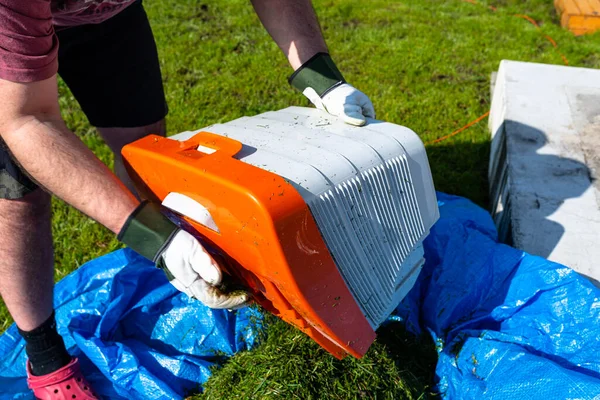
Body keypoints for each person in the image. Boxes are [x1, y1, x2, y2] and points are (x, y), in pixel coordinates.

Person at [0, 0, 375, 398]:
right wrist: (151, 234)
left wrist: (318, 75)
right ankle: (44, 356)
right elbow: (27, 120)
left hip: (107, 18)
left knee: (144, 152)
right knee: (17, 197)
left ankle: (185, 265)